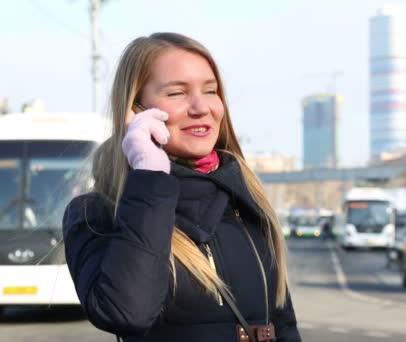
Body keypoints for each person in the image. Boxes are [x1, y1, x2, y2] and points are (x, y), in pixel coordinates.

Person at [62, 32, 301, 342]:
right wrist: (149, 176)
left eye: (211, 90)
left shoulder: (243, 200)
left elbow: (283, 325)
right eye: (177, 93)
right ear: (134, 110)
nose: (201, 107)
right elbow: (126, 312)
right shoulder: (97, 213)